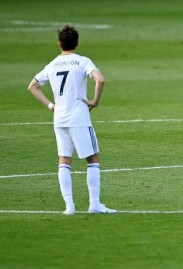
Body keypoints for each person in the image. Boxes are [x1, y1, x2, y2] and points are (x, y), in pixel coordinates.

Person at [27, 24, 116, 215]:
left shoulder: (52, 65)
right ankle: (94, 205)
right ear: (77, 42)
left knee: (64, 160)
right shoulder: (82, 61)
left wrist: (51, 106)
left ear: (59, 43)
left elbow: (32, 86)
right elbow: (100, 80)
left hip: (59, 118)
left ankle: (69, 207)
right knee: (92, 158)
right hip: (79, 118)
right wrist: (95, 101)